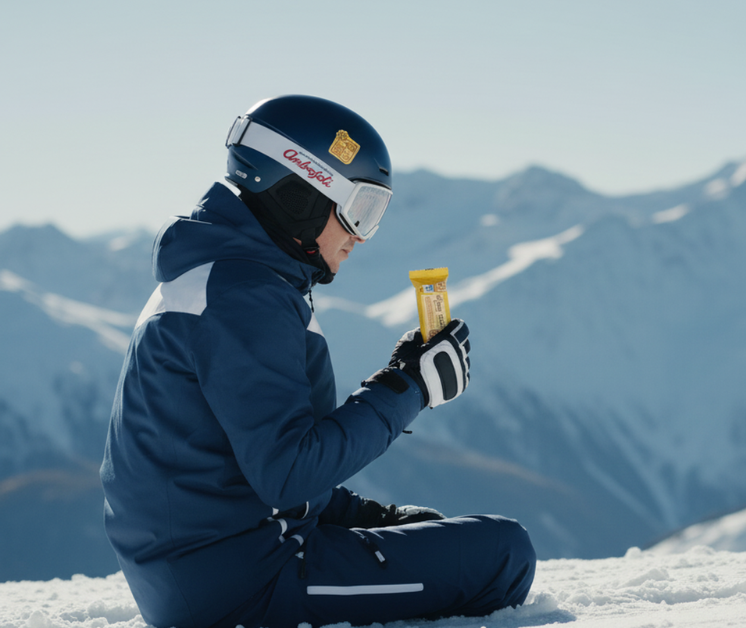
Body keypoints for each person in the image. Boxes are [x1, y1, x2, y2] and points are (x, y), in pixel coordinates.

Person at [100, 95, 535, 628]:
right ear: (300, 193)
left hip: (209, 569)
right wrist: (410, 387)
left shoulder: (230, 280)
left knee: (443, 536)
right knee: (504, 554)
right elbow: (288, 472)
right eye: (359, 209)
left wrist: (369, 517)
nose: (359, 235)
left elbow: (242, 461)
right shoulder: (245, 299)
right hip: (241, 588)